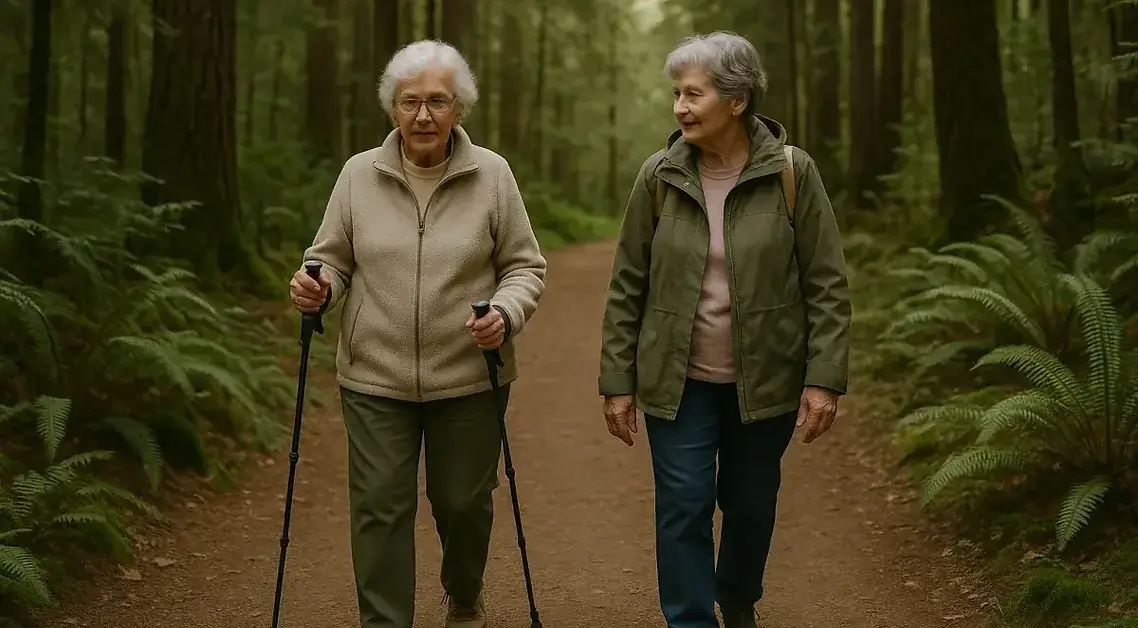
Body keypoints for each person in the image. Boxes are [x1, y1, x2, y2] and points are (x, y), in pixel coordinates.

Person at [288, 39, 547, 628]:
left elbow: (524, 267)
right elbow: (331, 259)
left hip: (470, 374)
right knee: (380, 507)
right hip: (374, 376)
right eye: (410, 102)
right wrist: (317, 286)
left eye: (437, 102)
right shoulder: (358, 175)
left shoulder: (492, 175)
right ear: (392, 108)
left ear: (459, 108)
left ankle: (464, 595)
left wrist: (504, 313)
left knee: (462, 504)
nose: (423, 115)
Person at [597, 31, 851, 628]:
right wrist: (617, 382)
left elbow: (826, 282)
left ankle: (737, 600)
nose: (680, 107)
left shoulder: (791, 173)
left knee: (750, 505)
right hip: (678, 379)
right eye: (676, 94)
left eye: (694, 94)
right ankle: (690, 619)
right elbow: (628, 283)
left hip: (765, 380)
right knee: (683, 505)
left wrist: (824, 378)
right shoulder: (659, 176)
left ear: (736, 100)